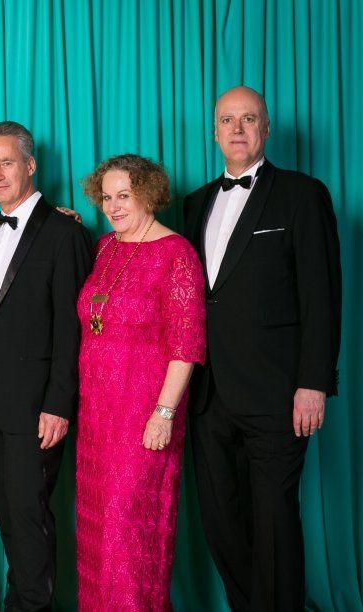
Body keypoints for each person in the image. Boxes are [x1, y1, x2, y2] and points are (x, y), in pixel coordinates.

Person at [183, 86, 341, 612]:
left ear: (266, 128)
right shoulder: (195, 203)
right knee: (223, 522)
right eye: (227, 120)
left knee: (274, 520)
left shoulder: (302, 194)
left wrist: (313, 382)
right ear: (214, 132)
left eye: (248, 118)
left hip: (277, 394)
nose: (237, 128)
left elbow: (322, 295)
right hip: (208, 395)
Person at [74, 154, 206, 610]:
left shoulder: (176, 253)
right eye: (106, 197)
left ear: (148, 194)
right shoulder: (104, 247)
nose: (113, 206)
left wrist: (164, 413)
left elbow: (187, 344)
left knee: (129, 533)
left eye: (124, 196)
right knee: (97, 535)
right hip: (96, 416)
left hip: (144, 414)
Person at [0, 121, 92, 611]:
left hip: (36, 402)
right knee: (7, 515)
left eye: (7, 163)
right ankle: (17, 603)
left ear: (31, 165)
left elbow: (72, 328)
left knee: (29, 514)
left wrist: (59, 403)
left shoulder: (65, 233)